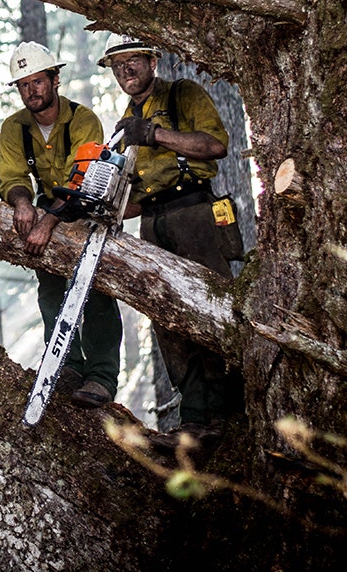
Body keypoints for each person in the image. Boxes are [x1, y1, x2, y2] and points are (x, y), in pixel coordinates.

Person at [99, 35, 240, 448]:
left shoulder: (182, 94)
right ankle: (194, 421)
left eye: (132, 61)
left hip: (194, 214)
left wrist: (154, 134)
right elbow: (139, 197)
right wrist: (97, 208)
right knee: (169, 320)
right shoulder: (128, 119)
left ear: (152, 60)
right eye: (117, 65)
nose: (125, 71)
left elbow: (216, 145)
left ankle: (229, 417)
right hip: (154, 223)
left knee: (210, 310)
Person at [0, 42, 122, 408]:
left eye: (37, 81)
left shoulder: (83, 120)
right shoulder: (14, 127)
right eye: (22, 85)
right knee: (50, 286)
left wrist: (47, 221)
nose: (30, 91)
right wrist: (22, 205)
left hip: (91, 208)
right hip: (46, 205)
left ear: (55, 79)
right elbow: (12, 175)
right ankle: (66, 365)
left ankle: (101, 376)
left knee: (96, 290)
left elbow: (84, 182)